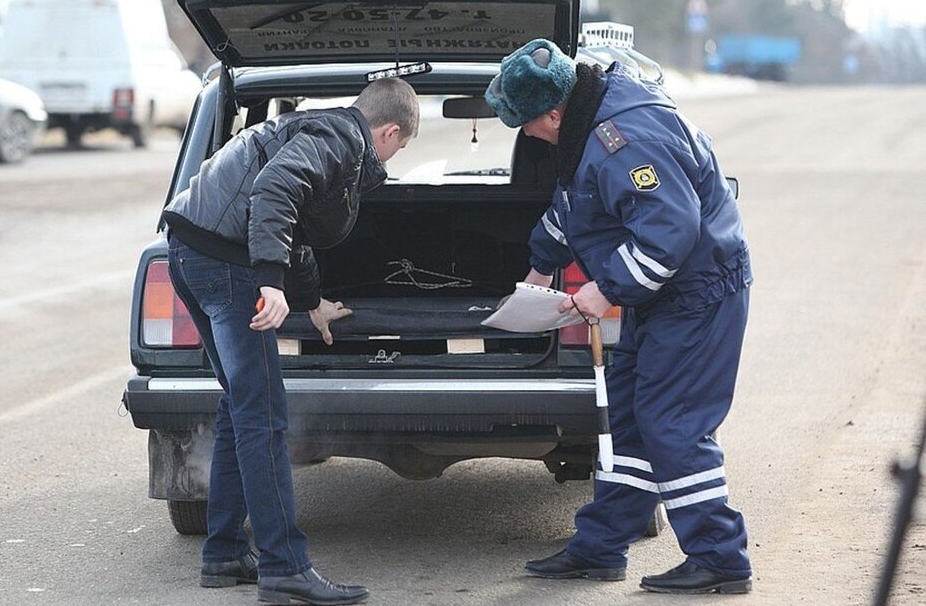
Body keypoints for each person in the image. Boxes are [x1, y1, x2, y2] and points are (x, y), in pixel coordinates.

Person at [484, 39, 754, 595]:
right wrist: (540, 267)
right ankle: (601, 546)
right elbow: (574, 204)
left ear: (555, 113)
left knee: (671, 421)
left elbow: (670, 235)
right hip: (660, 297)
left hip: (698, 293)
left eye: (528, 124)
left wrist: (604, 291)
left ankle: (720, 558)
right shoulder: (587, 125)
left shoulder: (624, 141)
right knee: (626, 417)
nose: (526, 135)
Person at [161, 77, 419, 606]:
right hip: (228, 268)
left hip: (191, 255)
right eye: (400, 146)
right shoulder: (341, 140)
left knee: (239, 406)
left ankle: (225, 552)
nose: (393, 157)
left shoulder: (319, 130)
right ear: (389, 132)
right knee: (265, 416)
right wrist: (270, 281)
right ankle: (285, 567)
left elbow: (295, 230)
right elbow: (275, 192)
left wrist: (308, 301)